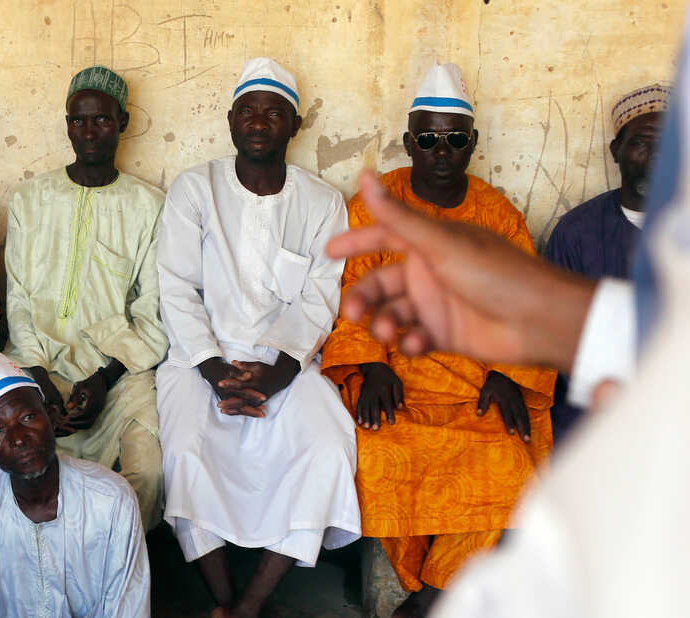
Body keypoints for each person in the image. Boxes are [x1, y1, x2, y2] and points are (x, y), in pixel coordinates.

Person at [318, 62, 555, 617]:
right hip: (398, 376)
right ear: (409, 143)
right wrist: (371, 366)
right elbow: (351, 291)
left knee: (508, 463)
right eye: (428, 139)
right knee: (376, 455)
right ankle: (431, 589)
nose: (441, 151)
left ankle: (430, 597)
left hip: (475, 381)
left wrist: (507, 376)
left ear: (473, 142)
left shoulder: (497, 217)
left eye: (454, 139)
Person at [156, 57, 361, 618]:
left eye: (274, 113)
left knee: (327, 446)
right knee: (185, 449)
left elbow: (320, 296)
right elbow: (176, 287)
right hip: (200, 359)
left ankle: (250, 604)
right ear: (230, 120)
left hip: (288, 364)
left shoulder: (323, 202)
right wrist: (212, 367)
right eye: (247, 110)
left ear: (295, 125)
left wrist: (278, 373)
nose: (258, 121)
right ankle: (223, 600)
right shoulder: (195, 189)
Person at [0, 66, 168, 530]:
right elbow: (20, 301)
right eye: (78, 120)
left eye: (102, 120)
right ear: (67, 125)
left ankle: (110, 560)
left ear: (122, 123)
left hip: (119, 371)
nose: (89, 132)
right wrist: (38, 378)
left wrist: (105, 378)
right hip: (35, 362)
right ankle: (3, 547)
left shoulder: (150, 205)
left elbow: (151, 311)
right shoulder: (30, 198)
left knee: (148, 470)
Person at [0, 350, 149, 616]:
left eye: (28, 418)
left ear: (51, 416)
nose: (19, 438)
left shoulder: (110, 499)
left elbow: (127, 607)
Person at [543, 83, 670, 441]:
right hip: (597, 415)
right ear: (617, 151)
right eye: (641, 143)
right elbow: (555, 334)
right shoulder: (576, 232)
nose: (654, 158)